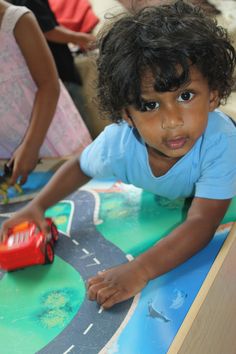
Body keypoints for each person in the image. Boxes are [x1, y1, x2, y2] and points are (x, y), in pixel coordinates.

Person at [1, 0, 236, 309]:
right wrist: (38, 205)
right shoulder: (119, 143)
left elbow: (202, 223)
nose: (172, 120)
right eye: (149, 105)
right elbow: (80, 166)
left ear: (214, 96)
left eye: (186, 96)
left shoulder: (222, 142)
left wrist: (140, 269)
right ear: (126, 114)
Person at [0, 1, 91, 185]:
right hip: (6, 151)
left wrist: (31, 146)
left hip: (50, 140)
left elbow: (48, 85)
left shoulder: (18, 20)